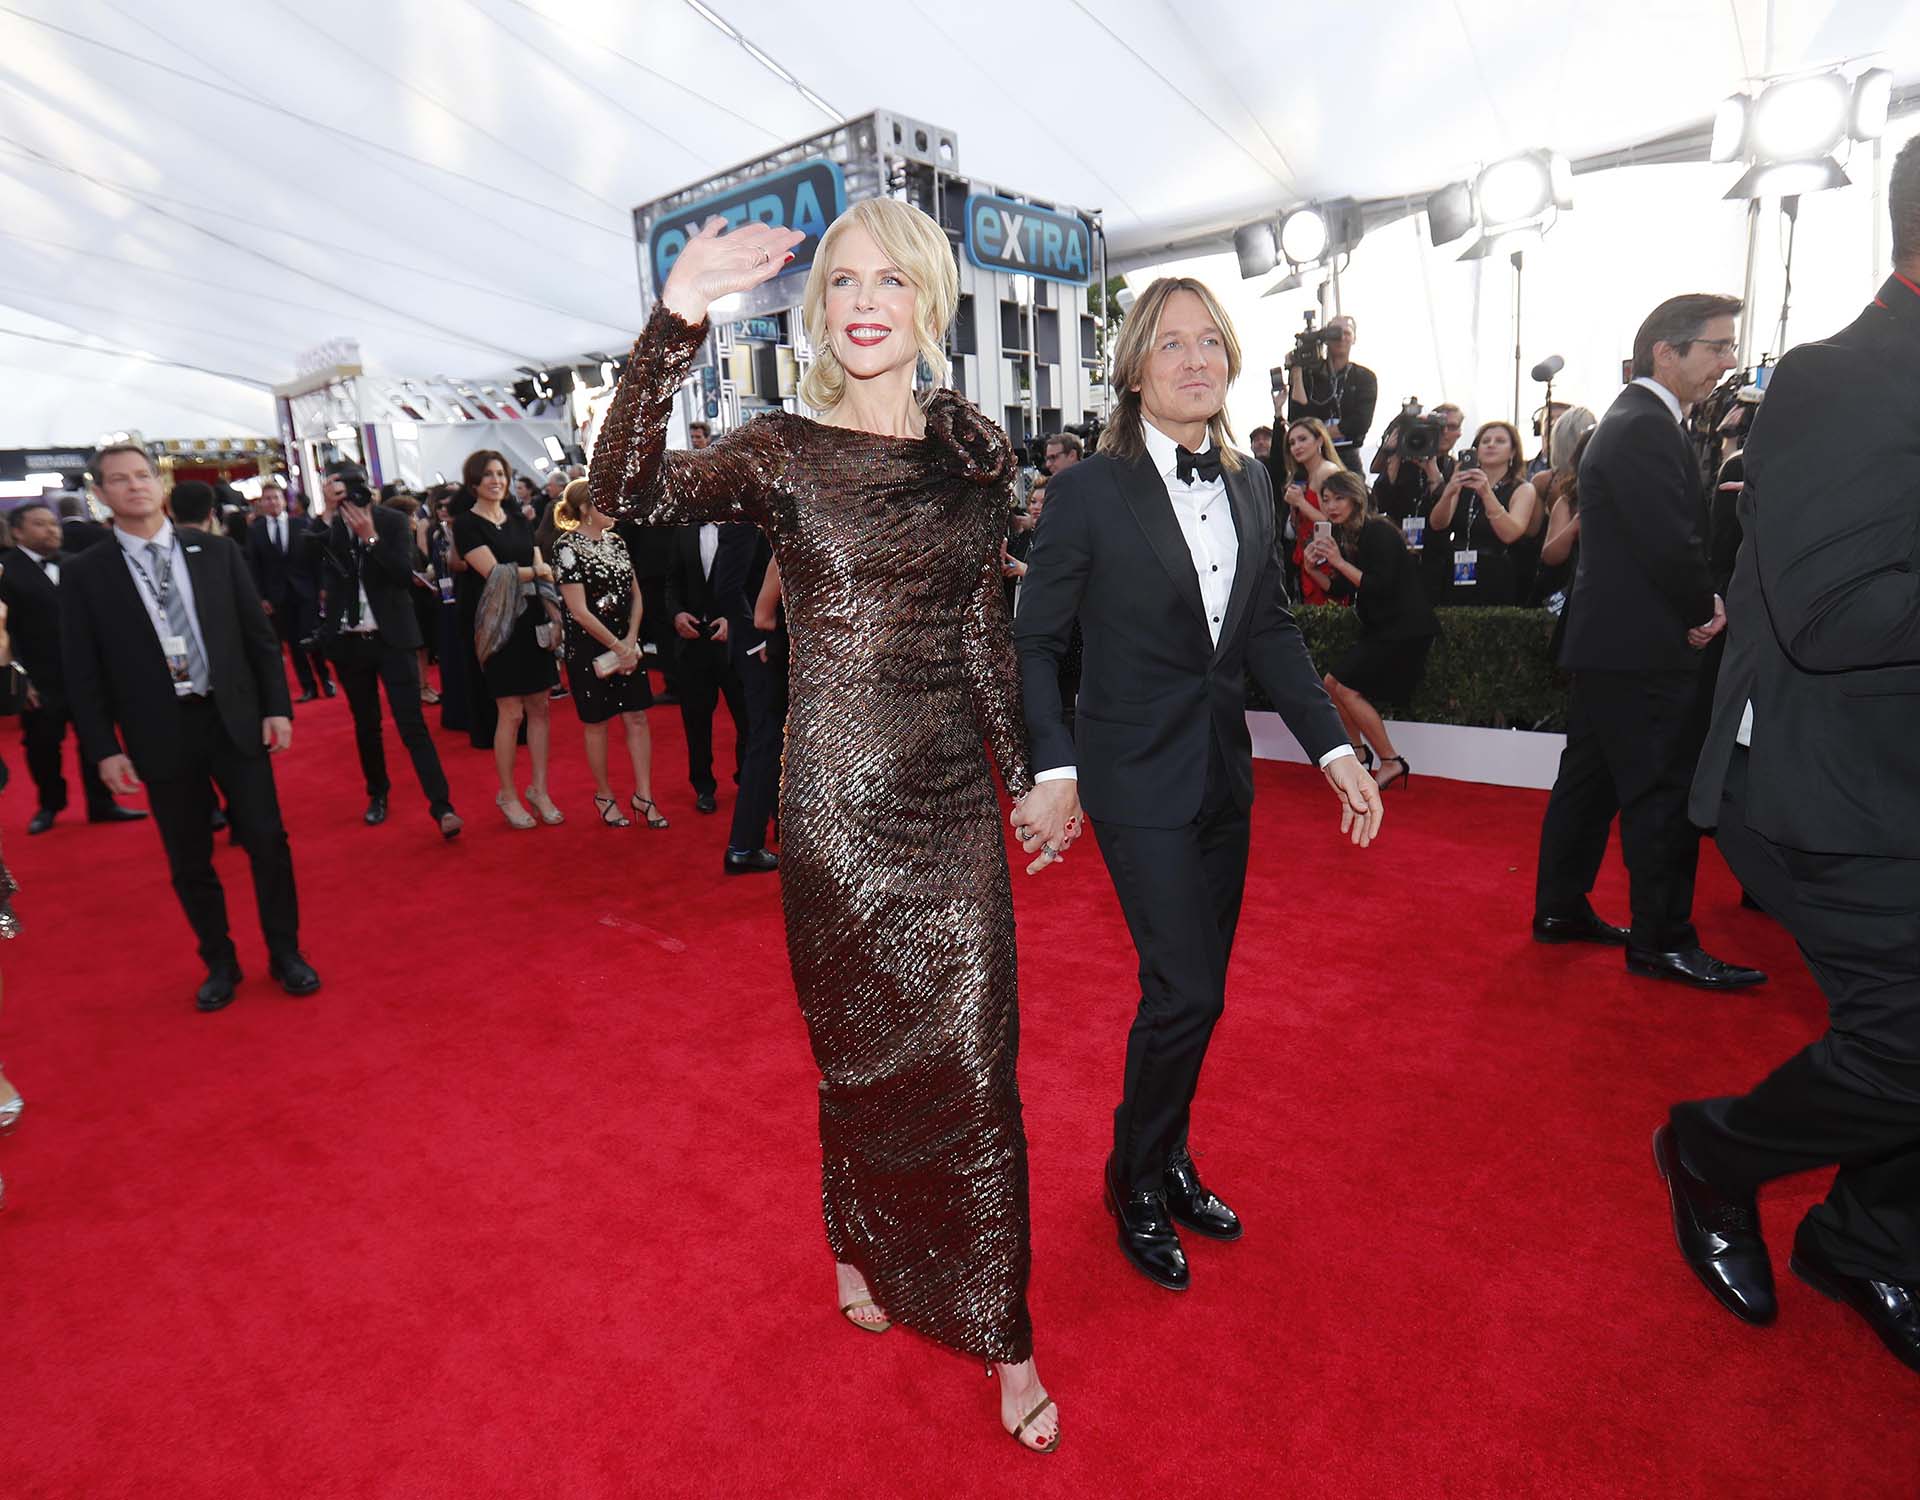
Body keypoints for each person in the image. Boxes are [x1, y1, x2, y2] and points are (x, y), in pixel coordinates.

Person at [591, 200, 1059, 1451]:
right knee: (859, 1064)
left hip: (952, 807)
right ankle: (855, 1237)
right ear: (817, 308)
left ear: (927, 302)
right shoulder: (780, 451)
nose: (862, 301)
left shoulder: (973, 456)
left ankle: (1002, 1332)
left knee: (975, 1071)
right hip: (838, 813)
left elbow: (977, 632)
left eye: (888, 281)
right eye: (841, 281)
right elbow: (623, 488)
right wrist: (673, 318)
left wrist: (1024, 777)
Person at [1014, 274, 1383, 1299]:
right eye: (1171, 344)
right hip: (1133, 780)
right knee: (1188, 989)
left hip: (1225, 775)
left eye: (1210, 343)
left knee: (1193, 998)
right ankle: (1134, 1177)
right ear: (1135, 365)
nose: (1194, 361)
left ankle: (1167, 1154)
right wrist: (1055, 771)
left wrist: (1334, 751)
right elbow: (1036, 642)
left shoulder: (1253, 480)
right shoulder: (1090, 488)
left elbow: (1266, 629)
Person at [1656, 145, 1920, 1375]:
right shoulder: (1842, 377)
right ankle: (1714, 1151)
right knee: (1907, 1046)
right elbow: (1833, 615)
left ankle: (1866, 1239)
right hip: (1832, 794)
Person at [1531, 293, 1764, 990]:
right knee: (1660, 794)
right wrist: (1703, 607)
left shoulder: (1635, 422)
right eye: (1718, 347)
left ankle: (1560, 909)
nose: (1729, 361)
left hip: (1613, 644)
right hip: (1643, 648)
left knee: (1590, 783)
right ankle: (1662, 941)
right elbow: (1670, 541)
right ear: (1667, 351)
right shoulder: (1642, 427)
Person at [61, 443, 319, 1012]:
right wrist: (104, 749)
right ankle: (219, 962)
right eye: (118, 480)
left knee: (268, 842)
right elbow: (82, 671)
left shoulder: (215, 551)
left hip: (233, 717)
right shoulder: (86, 573)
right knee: (189, 857)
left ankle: (285, 953)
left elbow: (257, 637)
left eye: (142, 476)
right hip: (158, 730)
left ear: (160, 484)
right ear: (101, 494)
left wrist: (278, 707)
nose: (134, 487)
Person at [309, 463, 461, 838]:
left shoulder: (391, 521)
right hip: (348, 640)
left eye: (350, 488)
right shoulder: (327, 525)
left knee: (412, 724)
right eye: (335, 488)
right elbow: (307, 565)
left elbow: (401, 574)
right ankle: (377, 795)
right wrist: (329, 517)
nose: (346, 496)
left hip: (392, 637)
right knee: (366, 726)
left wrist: (370, 537)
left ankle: (442, 805)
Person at [0, 501, 147, 833]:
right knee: (42, 745)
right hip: (39, 677)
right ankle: (49, 806)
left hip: (86, 675)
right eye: (40, 524)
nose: (51, 530)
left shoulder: (75, 565)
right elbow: (3, 632)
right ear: (17, 531)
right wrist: (20, 680)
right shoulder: (6, 572)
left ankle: (102, 803)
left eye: (53, 523)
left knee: (95, 739)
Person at [1302, 469, 1437, 790]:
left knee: (1343, 687)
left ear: (1356, 498)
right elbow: (1340, 590)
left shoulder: (1378, 531)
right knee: (1333, 686)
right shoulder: (1352, 536)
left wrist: (1337, 561)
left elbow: (1380, 586)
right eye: (1326, 499)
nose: (1331, 506)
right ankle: (1360, 755)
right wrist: (1311, 569)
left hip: (1403, 629)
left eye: (1339, 498)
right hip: (1383, 628)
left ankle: (1390, 760)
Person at [548, 479, 667, 830]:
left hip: (626, 644)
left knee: (637, 717)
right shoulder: (566, 547)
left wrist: (630, 639)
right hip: (588, 648)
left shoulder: (617, 541)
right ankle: (604, 795)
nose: (615, 509)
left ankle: (644, 795)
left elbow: (637, 594)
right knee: (597, 722)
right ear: (586, 508)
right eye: (607, 503)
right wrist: (618, 646)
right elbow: (578, 611)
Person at [451, 450, 561, 829]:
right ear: (474, 483)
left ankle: (540, 789)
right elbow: (494, 574)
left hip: (532, 621)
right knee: (511, 713)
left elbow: (540, 576)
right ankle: (508, 794)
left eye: (501, 473)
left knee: (541, 709)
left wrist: (553, 615)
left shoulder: (518, 520)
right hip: (497, 628)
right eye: (488, 475)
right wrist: (537, 569)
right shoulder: (465, 525)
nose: (496, 480)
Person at [712, 517, 784, 873]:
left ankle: (773, 826)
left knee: (776, 739)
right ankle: (743, 845)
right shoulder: (743, 521)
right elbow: (726, 587)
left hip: (773, 644)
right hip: (760, 650)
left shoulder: (761, 516)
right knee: (767, 740)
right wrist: (757, 640)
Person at [663, 519, 748, 814]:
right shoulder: (683, 529)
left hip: (736, 645)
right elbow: (672, 581)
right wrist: (676, 614)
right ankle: (703, 785)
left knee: (747, 717)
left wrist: (735, 620)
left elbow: (758, 580)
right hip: (694, 642)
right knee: (696, 719)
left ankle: (747, 778)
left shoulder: (745, 528)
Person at [1421, 420, 1539, 607]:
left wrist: (1486, 493)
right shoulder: (1462, 481)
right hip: (1456, 567)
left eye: (1500, 441)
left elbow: (1510, 533)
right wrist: (1450, 491)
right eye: (1485, 441)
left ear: (1513, 452)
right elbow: (1438, 523)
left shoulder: (1523, 488)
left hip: (1496, 570)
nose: (1491, 444)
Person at [243, 478, 331, 704]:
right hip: (277, 595)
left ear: (284, 501)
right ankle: (308, 686)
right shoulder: (256, 530)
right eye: (267, 499)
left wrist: (322, 586)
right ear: (260, 503)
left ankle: (326, 680)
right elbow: (254, 566)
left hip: (306, 591)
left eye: (275, 498)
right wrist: (261, 597)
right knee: (293, 643)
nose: (271, 502)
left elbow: (316, 558)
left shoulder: (302, 525)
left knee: (313, 636)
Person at [1285, 313, 1377, 471]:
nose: (1341, 337)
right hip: (1313, 459)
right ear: (1326, 337)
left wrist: (1317, 436)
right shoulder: (1310, 377)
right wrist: (1297, 371)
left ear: (1354, 338)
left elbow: (1360, 423)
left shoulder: (1364, 377)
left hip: (1347, 456)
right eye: (1335, 332)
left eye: (1347, 332)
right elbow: (1296, 418)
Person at [1278, 418, 1341, 604]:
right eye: (1292, 442)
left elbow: (1335, 523)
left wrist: (1301, 503)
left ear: (1320, 441)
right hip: (1308, 560)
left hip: (1329, 563)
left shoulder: (1327, 471)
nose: (1297, 446)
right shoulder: (1301, 477)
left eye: (1303, 439)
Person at [1370, 402, 1463, 528]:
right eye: (1439, 427)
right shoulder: (1402, 461)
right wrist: (1392, 453)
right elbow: (1378, 506)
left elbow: (1449, 518)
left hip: (1436, 542)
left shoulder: (1456, 469)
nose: (1444, 432)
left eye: (1452, 427)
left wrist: (1434, 475)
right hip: (1398, 539)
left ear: (1459, 433)